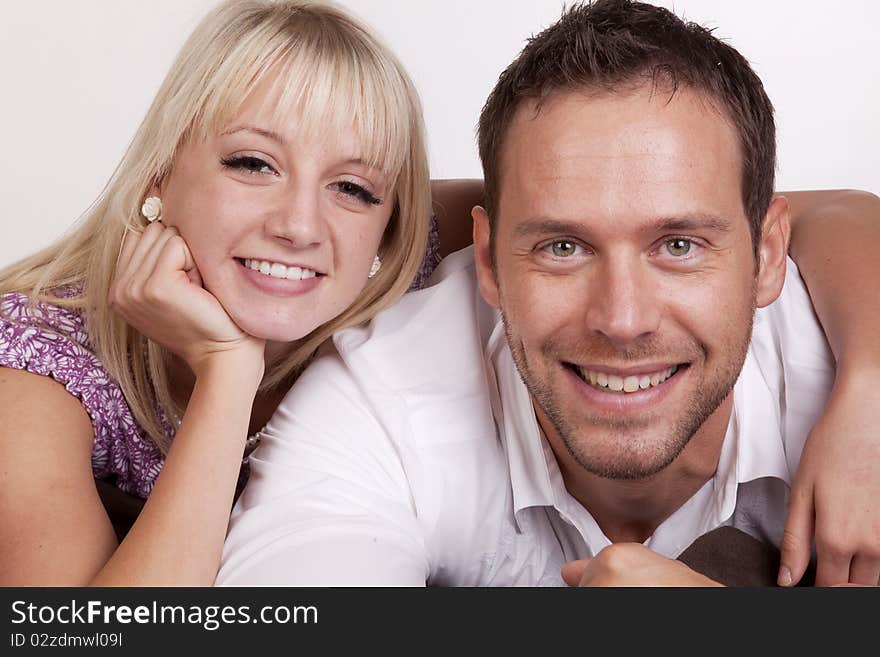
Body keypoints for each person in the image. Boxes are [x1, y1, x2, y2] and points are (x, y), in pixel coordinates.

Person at [217, 0, 880, 587]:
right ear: (489, 262)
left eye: (678, 245)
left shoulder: (846, 389)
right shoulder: (384, 396)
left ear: (768, 257)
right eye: (563, 247)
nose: (623, 320)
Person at [0, 0, 435, 586]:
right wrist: (228, 374)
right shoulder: (34, 369)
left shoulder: (421, 258)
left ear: (391, 224)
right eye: (254, 164)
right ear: (158, 173)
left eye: (353, 188)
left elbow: (566, 189)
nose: (300, 226)